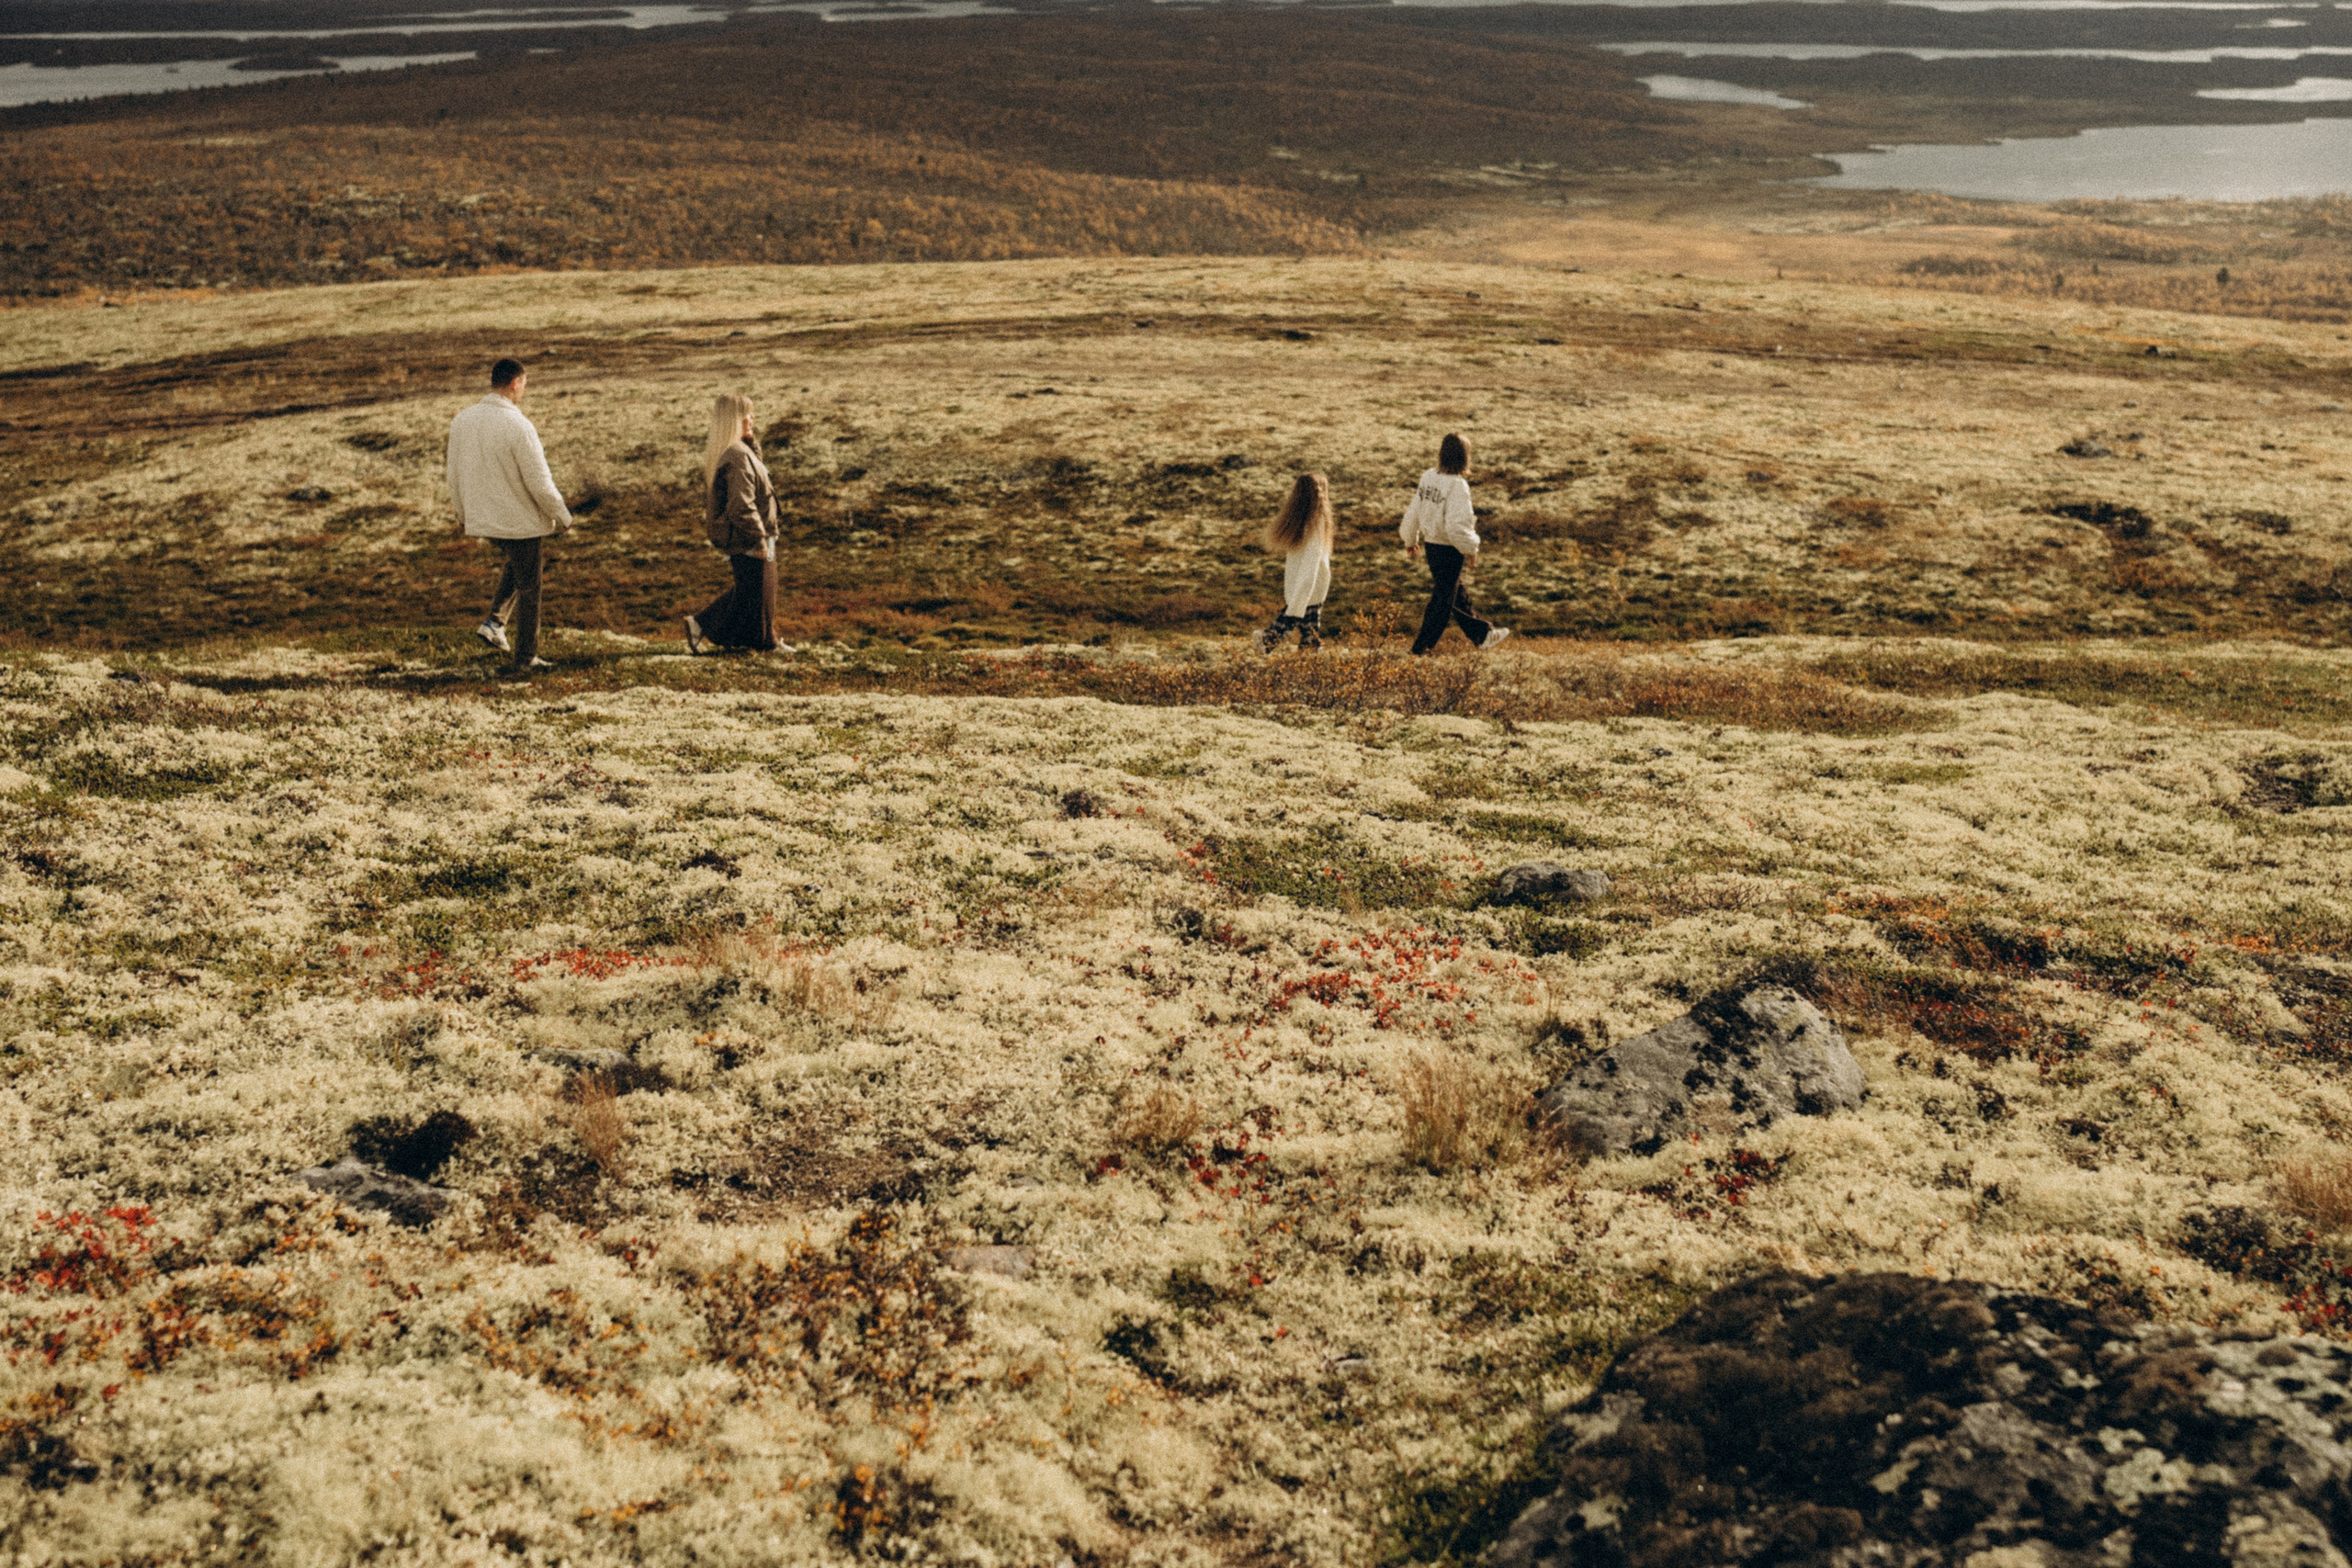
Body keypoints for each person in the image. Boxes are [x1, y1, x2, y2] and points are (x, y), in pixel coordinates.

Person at [447, 356, 571, 674]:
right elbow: (539, 481)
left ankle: (494, 623)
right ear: (516, 383)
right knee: (531, 585)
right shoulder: (519, 425)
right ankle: (526, 657)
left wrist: (461, 512)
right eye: (524, 385)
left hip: (482, 515)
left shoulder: (462, 421)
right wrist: (562, 514)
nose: (524, 391)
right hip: (517, 518)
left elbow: (453, 473)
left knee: (519, 564)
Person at [684, 391, 778, 654]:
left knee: (755, 592)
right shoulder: (736, 456)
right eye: (747, 413)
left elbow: (752, 479)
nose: (753, 417)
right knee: (758, 592)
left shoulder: (739, 451)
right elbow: (741, 505)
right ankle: (761, 642)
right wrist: (758, 539)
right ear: (735, 419)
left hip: (750, 533)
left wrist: (752, 443)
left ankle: (761, 640)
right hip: (749, 535)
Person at [1400, 432, 1510, 656]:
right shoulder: (1457, 485)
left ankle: (1483, 635)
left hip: (1432, 546)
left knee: (1455, 594)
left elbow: (1414, 510)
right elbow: (1456, 526)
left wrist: (1410, 538)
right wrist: (1471, 548)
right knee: (1442, 601)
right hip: (1449, 549)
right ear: (1464, 457)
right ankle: (1420, 649)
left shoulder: (1428, 477)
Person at [1255, 472, 1335, 652]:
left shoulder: (1302, 520)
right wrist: (1303, 586)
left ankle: (1268, 641)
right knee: (1307, 627)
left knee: (1298, 621)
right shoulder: (1315, 521)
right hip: (1310, 583)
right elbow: (1312, 557)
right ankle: (1270, 641)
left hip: (1304, 583)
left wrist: (1301, 588)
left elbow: (1309, 558)